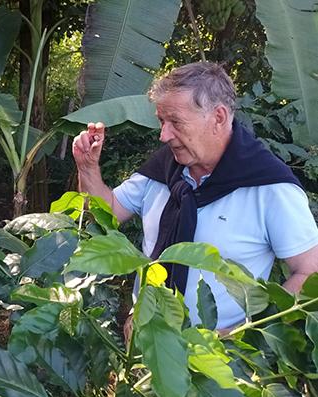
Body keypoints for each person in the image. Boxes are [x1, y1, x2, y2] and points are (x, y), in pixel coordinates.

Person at [71, 62, 318, 332]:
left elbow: (310, 272)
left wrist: (247, 335)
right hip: (145, 342)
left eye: (175, 122)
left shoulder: (270, 187)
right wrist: (87, 168)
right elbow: (107, 214)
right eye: (161, 121)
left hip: (224, 359)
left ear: (219, 117)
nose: (164, 135)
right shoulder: (164, 168)